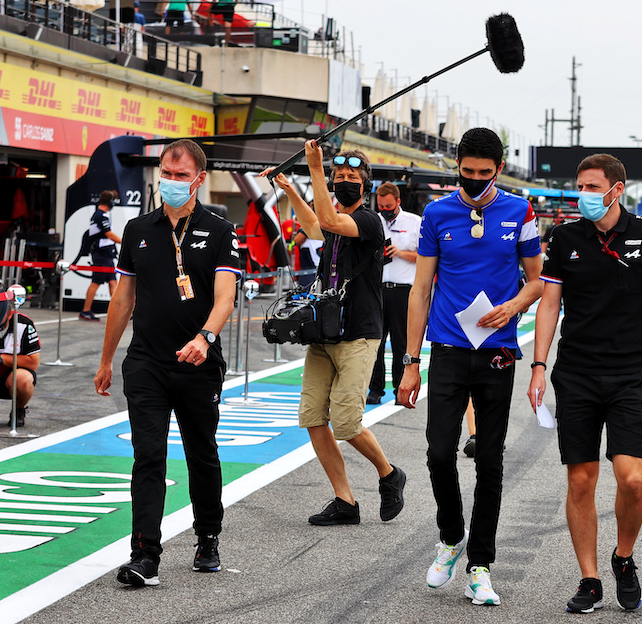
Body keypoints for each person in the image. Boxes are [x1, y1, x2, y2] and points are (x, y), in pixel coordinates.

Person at [528, 153, 642, 613]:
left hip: (632, 373)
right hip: (575, 373)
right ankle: (589, 578)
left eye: (593, 187)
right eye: (581, 185)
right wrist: (538, 365)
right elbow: (550, 305)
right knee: (581, 479)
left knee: (632, 478)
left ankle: (624, 556)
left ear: (617, 188)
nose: (584, 195)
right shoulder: (563, 236)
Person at [398, 127, 543, 607]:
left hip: (498, 349)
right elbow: (420, 290)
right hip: (448, 348)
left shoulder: (520, 210)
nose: (476, 180)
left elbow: (537, 281)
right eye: (468, 172)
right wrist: (411, 362)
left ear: (498, 168)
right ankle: (451, 535)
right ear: (456, 167)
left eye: (485, 173)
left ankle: (480, 565)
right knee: (440, 451)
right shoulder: (437, 214)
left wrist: (514, 306)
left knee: (489, 459)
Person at [95, 139, 240, 586]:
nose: (171, 182)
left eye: (180, 175)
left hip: (199, 362)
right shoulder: (139, 229)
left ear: (199, 179)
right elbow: (122, 300)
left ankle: (208, 536)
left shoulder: (220, 230)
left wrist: (205, 337)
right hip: (146, 363)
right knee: (148, 456)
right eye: (166, 173)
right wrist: (105, 360)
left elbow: (226, 296)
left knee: (202, 455)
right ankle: (145, 556)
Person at [268, 143, 407, 527]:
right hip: (324, 334)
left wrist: (315, 168)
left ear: (366, 184)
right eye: (339, 177)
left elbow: (328, 221)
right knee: (314, 417)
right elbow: (316, 225)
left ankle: (389, 473)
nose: (345, 183)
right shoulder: (336, 222)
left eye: (351, 178)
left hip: (359, 335)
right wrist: (290, 189)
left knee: (346, 422)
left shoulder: (368, 221)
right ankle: (345, 500)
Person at [367, 183, 420, 405]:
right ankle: (375, 389)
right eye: (381, 206)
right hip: (377, 289)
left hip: (403, 290)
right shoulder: (373, 221)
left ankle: (400, 387)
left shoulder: (415, 222)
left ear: (398, 202)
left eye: (389, 205)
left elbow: (425, 257)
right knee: (374, 342)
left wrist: (400, 253)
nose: (385, 210)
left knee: (401, 342)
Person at [79, 190, 122, 321]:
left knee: (113, 282)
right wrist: (125, 242)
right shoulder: (100, 216)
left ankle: (117, 312)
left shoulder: (102, 215)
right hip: (101, 254)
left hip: (107, 254)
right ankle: (85, 310)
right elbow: (109, 234)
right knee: (96, 282)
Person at [0, 292, 40, 428]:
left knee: (24, 380)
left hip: (9, 378)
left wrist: (3, 359)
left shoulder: (23, 324)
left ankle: (18, 409)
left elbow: (33, 362)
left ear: (10, 313)